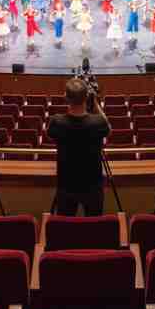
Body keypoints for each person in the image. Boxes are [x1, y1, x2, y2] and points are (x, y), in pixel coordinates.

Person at [47, 78, 111, 216]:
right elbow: (108, 127)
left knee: (64, 228)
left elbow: (50, 134)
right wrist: (95, 104)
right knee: (95, 227)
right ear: (87, 97)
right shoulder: (98, 123)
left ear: (66, 98)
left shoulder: (57, 122)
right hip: (93, 186)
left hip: (66, 186)